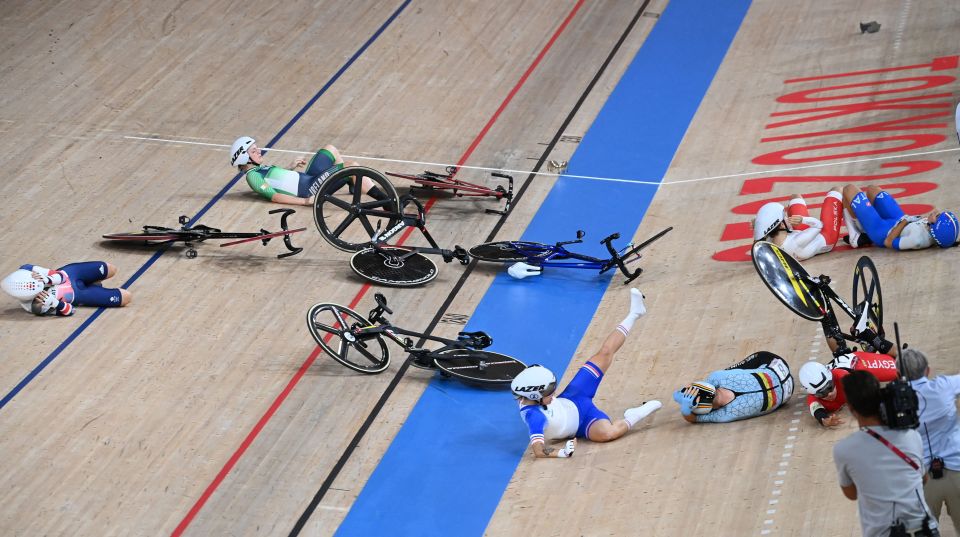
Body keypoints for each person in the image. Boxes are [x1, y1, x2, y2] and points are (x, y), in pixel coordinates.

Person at [511, 288, 662, 458]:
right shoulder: (535, 417)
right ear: (533, 395)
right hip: (582, 423)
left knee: (605, 353)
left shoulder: (527, 390)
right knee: (608, 433)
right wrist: (563, 452)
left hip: (574, 396)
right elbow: (538, 451)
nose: (553, 393)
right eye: (549, 391)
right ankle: (635, 415)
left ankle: (634, 313)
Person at [834, 370, 939, 537]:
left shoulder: (844, 450)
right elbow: (923, 478)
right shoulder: (912, 436)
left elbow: (851, 494)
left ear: (851, 408)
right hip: (924, 529)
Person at [230, 136, 387, 206]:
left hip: (308, 178)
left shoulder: (259, 169)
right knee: (351, 166)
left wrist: (290, 167)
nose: (259, 152)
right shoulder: (253, 177)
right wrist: (305, 201)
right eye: (253, 151)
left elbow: (277, 181)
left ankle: (352, 183)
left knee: (329, 149)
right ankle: (386, 202)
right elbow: (275, 196)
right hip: (309, 189)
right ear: (244, 158)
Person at [902, 348, 960, 533]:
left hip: (922, 479)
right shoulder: (944, 386)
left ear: (897, 375)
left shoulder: (896, 402)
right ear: (927, 370)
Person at [672, 351, 794, 423]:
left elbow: (694, 419)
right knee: (735, 370)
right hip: (777, 365)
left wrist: (685, 411)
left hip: (785, 396)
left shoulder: (723, 415)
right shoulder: (717, 377)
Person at [798, 351, 899, 428]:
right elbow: (818, 412)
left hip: (858, 364)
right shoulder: (813, 399)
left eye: (829, 387)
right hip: (845, 366)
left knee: (899, 368)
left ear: (832, 377)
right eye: (822, 393)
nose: (829, 394)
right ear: (814, 394)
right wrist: (825, 421)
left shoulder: (842, 377)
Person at [841, 184, 959, 250]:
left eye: (937, 216)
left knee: (848, 189)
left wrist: (905, 221)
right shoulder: (933, 230)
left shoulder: (916, 241)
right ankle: (864, 230)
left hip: (883, 231)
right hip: (898, 220)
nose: (936, 212)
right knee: (872, 190)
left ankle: (855, 236)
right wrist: (905, 221)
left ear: (936, 228)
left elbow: (888, 242)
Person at [1, 262, 131, 316]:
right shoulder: (33, 306)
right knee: (126, 297)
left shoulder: (28, 270)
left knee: (111, 268)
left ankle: (95, 282)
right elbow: (71, 311)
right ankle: (95, 286)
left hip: (73, 274)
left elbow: (62, 276)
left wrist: (47, 279)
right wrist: (56, 303)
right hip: (80, 295)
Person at [752, 188, 844, 261]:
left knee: (795, 197)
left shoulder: (770, 242)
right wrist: (803, 220)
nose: (787, 218)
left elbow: (756, 249)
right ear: (782, 225)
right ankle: (855, 236)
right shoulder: (796, 241)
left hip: (802, 234)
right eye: (785, 218)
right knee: (838, 190)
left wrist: (758, 226)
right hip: (826, 237)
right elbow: (818, 225)